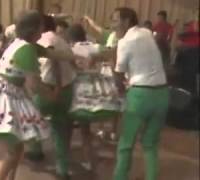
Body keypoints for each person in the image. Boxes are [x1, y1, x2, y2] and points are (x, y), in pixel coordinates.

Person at [0, 10, 76, 180]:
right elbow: (34, 84)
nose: (42, 30)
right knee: (13, 151)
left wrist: (73, 54)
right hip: (5, 96)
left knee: (16, 148)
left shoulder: (22, 44)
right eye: (40, 27)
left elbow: (52, 53)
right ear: (33, 29)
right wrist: (52, 95)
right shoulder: (26, 50)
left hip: (7, 93)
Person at [111, 7, 169, 180]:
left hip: (140, 96)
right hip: (162, 93)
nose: (112, 25)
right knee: (150, 144)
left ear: (126, 21)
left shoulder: (124, 42)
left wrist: (120, 91)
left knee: (126, 143)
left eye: (115, 20)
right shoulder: (146, 32)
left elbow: (119, 74)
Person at [66, 24, 123, 173]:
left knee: (67, 129)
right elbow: (113, 51)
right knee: (85, 130)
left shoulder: (70, 48)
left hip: (76, 88)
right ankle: (89, 162)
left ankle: (65, 161)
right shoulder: (94, 45)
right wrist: (95, 58)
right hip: (95, 89)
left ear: (70, 37)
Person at [27, 15, 76, 180]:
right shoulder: (61, 40)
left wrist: (57, 86)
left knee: (31, 118)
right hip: (67, 89)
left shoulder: (45, 39)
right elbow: (71, 61)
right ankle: (62, 169)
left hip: (52, 87)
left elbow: (53, 60)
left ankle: (35, 151)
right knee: (60, 128)